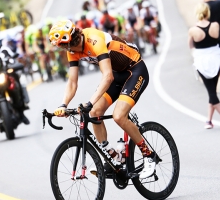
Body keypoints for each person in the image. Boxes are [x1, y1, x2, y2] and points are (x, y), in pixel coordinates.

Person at [49, 20, 157, 179]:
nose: (63, 49)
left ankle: (149, 156)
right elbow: (72, 82)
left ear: (68, 41)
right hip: (118, 76)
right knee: (94, 112)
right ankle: (115, 158)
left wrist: (89, 101)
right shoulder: (72, 51)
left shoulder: (94, 39)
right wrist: (63, 104)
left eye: (62, 45)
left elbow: (107, 76)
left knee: (119, 116)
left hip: (134, 71)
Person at [188, 3, 220, 129]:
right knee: (212, 90)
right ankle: (209, 120)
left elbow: (190, 46)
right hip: (215, 59)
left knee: (211, 91)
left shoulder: (193, 30)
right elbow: (217, 38)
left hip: (201, 61)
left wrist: (195, 53)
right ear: (208, 12)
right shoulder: (215, 25)